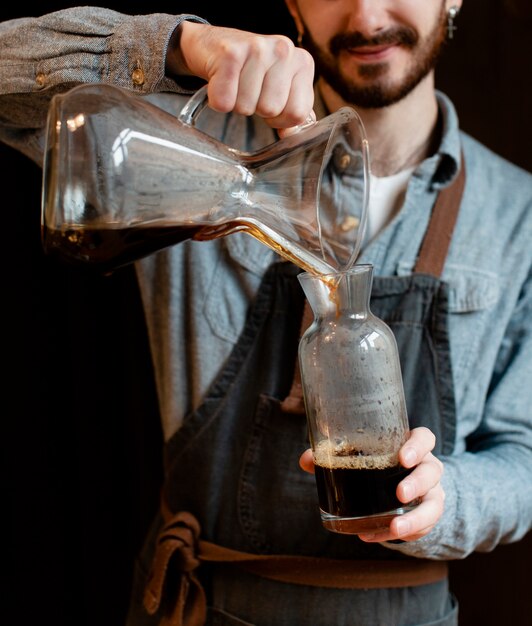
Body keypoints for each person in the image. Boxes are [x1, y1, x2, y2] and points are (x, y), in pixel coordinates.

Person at [1, 2, 531, 625]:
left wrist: (445, 501)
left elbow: (524, 457)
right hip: (199, 606)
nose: (366, 17)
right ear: (293, 6)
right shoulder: (189, 146)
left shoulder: (518, 216)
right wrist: (177, 46)